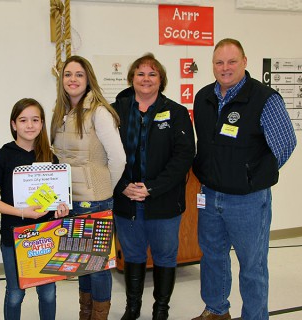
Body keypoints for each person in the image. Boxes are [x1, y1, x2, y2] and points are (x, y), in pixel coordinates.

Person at [191, 38, 297, 320]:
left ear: (245, 62)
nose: (225, 68)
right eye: (219, 62)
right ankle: (216, 310)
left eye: (231, 61)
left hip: (248, 201)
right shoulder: (203, 97)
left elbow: (285, 144)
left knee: (252, 265)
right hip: (210, 196)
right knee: (212, 258)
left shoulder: (265, 99)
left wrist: (253, 176)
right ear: (213, 65)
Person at [112, 53, 195, 320]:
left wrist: (153, 188)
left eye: (152, 74)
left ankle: (161, 310)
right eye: (140, 73)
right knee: (133, 254)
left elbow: (183, 157)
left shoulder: (177, 112)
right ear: (131, 79)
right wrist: (124, 185)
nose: (146, 79)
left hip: (164, 200)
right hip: (126, 199)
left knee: (165, 255)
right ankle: (132, 308)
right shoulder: (117, 111)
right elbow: (105, 153)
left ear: (161, 80)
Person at [51, 55, 126, 320]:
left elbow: (118, 158)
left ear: (88, 79)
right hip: (70, 201)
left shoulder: (100, 112)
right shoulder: (61, 113)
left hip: (95, 200)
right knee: (81, 264)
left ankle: (99, 316)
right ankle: (86, 312)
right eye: (68, 74)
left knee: (98, 267)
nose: (73, 79)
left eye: (79, 74)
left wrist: (104, 187)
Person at [0, 98, 69, 320]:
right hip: (14, 236)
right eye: (23, 120)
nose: (30, 125)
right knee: (15, 294)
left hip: (46, 235)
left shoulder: (50, 158)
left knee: (49, 293)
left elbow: (58, 200)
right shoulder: (2, 156)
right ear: (14, 124)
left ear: (42, 124)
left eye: (35, 120)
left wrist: (61, 210)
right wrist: (22, 212)